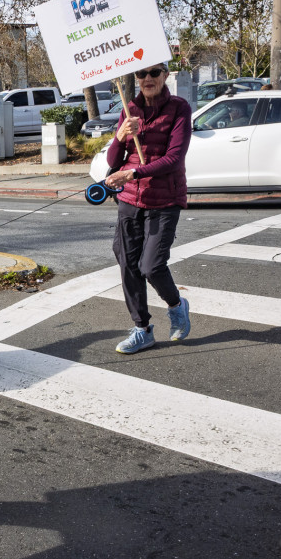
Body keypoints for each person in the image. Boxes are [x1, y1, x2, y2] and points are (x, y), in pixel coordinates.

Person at [103, 63, 193, 353]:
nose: (147, 78)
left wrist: (133, 173)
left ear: (165, 74)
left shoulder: (179, 108)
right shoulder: (129, 109)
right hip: (130, 200)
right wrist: (120, 136)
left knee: (151, 266)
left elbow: (175, 158)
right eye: (141, 74)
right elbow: (113, 161)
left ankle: (176, 305)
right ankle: (142, 329)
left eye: (154, 72)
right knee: (128, 264)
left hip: (164, 200)